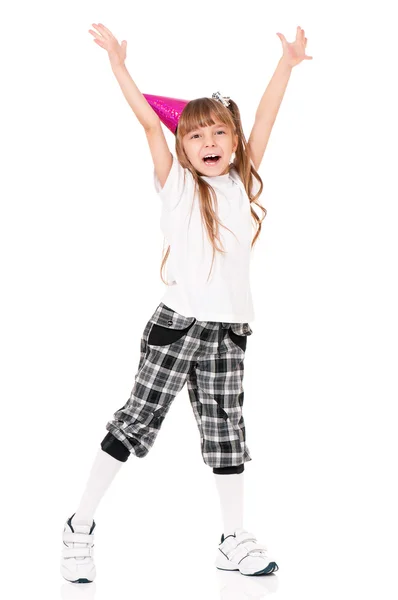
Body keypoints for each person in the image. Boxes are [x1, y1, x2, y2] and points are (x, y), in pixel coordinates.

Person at [60, 22, 312, 584]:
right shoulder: (174, 182)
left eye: (219, 133)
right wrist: (119, 67)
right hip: (177, 327)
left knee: (227, 432)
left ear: (233, 141)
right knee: (135, 423)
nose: (209, 144)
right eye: (196, 136)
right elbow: (148, 120)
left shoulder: (241, 181)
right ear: (181, 146)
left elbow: (266, 118)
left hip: (229, 333)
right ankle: (78, 527)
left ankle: (232, 538)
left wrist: (287, 66)